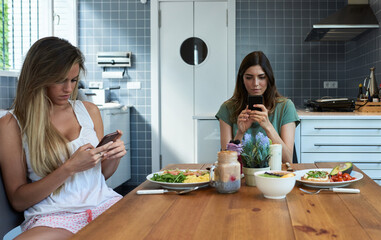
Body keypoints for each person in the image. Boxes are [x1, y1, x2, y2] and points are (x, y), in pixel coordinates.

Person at [0, 37, 126, 239]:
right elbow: (18, 200)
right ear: (38, 77)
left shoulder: (89, 111)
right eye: (60, 80)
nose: (68, 89)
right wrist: (69, 168)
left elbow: (99, 176)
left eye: (74, 80)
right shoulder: (11, 124)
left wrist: (113, 157)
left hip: (104, 205)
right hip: (53, 217)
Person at [216, 51, 300, 164]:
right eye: (249, 77)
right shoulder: (227, 108)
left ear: (269, 79)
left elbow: (288, 159)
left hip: (275, 176)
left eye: (261, 77)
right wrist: (240, 133)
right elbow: (226, 162)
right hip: (241, 176)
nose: (255, 83)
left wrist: (268, 126)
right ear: (242, 79)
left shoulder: (285, 107)